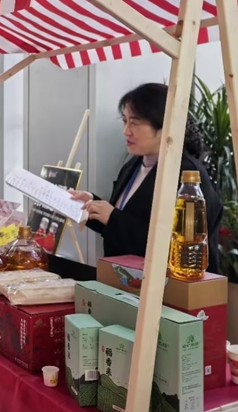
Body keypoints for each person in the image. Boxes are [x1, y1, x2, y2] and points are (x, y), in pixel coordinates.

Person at [72, 83, 223, 273]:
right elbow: (126, 222)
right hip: (124, 279)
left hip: (170, 285)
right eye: (124, 121)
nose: (126, 131)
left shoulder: (187, 175)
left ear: (164, 126)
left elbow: (176, 245)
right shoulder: (132, 165)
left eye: (134, 123)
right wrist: (93, 206)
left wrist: (113, 217)